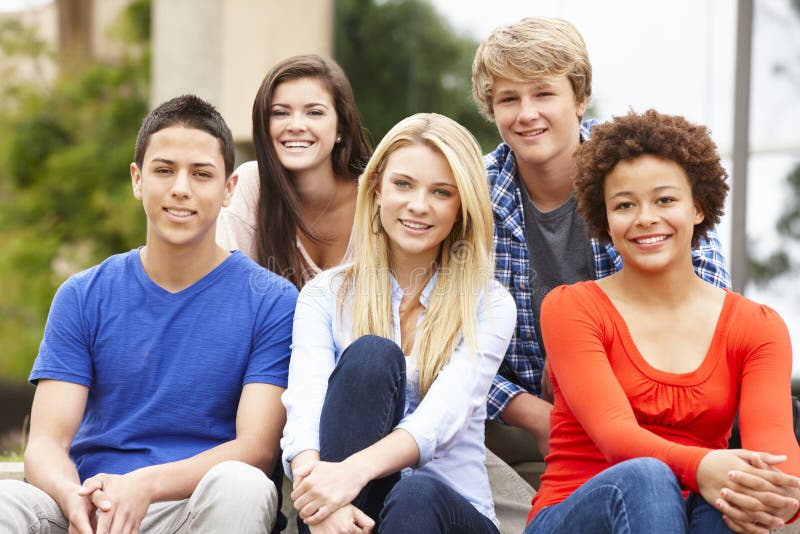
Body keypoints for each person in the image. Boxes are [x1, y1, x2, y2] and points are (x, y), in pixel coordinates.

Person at [0, 95, 298, 534]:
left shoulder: (271, 301)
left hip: (192, 508)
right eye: (164, 170)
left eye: (201, 174)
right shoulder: (83, 295)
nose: (181, 188)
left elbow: (255, 449)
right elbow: (46, 442)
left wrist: (144, 485)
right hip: (88, 505)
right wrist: (72, 498)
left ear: (229, 189)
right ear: (137, 180)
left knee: (243, 485)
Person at [469, 17, 731, 486]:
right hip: (523, 434)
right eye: (509, 98)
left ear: (580, 97)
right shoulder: (470, 197)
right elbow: (439, 336)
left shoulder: (642, 172)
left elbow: (706, 299)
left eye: (544, 93)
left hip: (650, 412)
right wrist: (527, 411)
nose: (526, 113)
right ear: (492, 109)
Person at [526, 109, 800, 533]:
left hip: (695, 514)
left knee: (733, 499)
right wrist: (706, 465)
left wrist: (774, 496)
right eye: (624, 205)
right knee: (648, 477)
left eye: (665, 200)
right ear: (605, 219)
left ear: (698, 207)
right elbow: (616, 437)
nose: (645, 218)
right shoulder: (571, 309)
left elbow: (779, 464)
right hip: (577, 513)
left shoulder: (758, 327)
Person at [282, 113, 517, 533]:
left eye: (441, 192)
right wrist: (326, 500)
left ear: (462, 206)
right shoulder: (324, 295)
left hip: (450, 516)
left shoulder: (491, 303)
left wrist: (349, 474)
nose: (418, 205)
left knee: (416, 493)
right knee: (371, 356)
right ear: (375, 190)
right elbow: (305, 408)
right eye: (403, 184)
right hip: (346, 516)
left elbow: (441, 419)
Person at [216, 53, 372, 287]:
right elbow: (226, 287)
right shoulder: (250, 185)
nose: (296, 126)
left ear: (341, 126)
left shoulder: (375, 196)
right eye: (280, 113)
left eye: (314, 112)